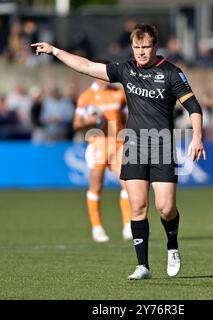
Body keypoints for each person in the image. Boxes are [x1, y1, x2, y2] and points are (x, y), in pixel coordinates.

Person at [32, 23, 206, 280]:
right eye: (137, 47)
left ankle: (172, 247)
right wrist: (55, 50)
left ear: (155, 46)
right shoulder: (126, 69)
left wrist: (197, 137)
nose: (141, 52)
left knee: (166, 208)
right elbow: (87, 66)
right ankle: (142, 265)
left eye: (146, 47)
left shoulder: (171, 73)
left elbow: (193, 107)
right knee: (137, 206)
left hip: (161, 145)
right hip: (133, 145)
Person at [73, 62, 132, 242]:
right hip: (97, 144)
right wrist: (88, 121)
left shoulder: (119, 94)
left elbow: (127, 117)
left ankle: (128, 226)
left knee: (128, 184)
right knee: (96, 187)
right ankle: (97, 228)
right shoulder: (86, 97)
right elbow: (76, 124)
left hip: (118, 144)